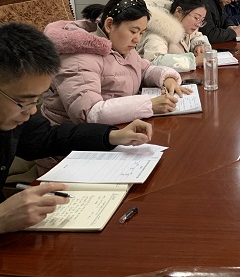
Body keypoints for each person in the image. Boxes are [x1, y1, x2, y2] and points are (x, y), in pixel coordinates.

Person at [0, 23, 153, 234]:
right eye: (24, 101)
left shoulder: (15, 115)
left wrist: (112, 135)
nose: (32, 110)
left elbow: (47, 137)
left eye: (37, 100)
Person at [41, 0, 187, 126]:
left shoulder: (120, 45)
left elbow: (143, 69)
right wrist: (149, 105)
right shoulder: (80, 56)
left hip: (117, 126)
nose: (137, 39)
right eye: (133, 31)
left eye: (141, 33)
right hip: (71, 136)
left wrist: (166, 78)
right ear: (109, 25)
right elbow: (89, 113)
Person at [137, 0, 211, 72]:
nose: (198, 24)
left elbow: (196, 35)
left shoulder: (185, 26)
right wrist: (194, 61)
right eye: (196, 18)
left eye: (201, 20)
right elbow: (154, 62)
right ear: (178, 11)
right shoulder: (158, 31)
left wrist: (198, 45)